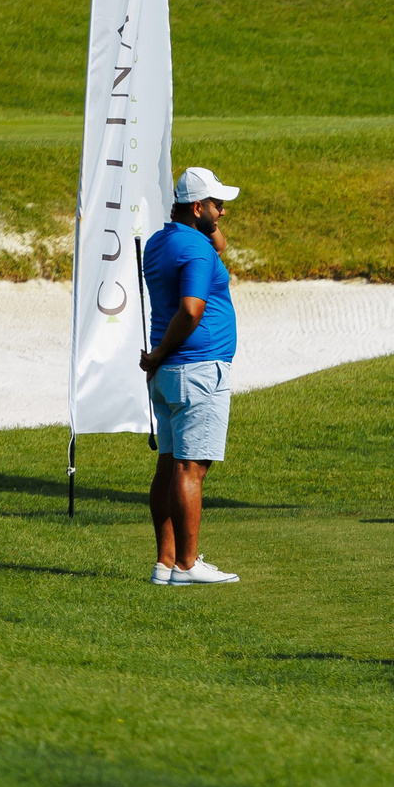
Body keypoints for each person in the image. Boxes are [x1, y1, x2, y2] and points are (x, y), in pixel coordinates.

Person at [139, 167, 242, 587]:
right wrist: (162, 351)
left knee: (169, 465)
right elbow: (192, 310)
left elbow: (217, 243)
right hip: (197, 370)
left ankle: (165, 562)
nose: (222, 214)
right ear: (197, 207)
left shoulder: (161, 241)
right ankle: (186, 564)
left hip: (169, 375)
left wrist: (159, 358)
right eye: (217, 206)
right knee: (190, 468)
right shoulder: (196, 251)